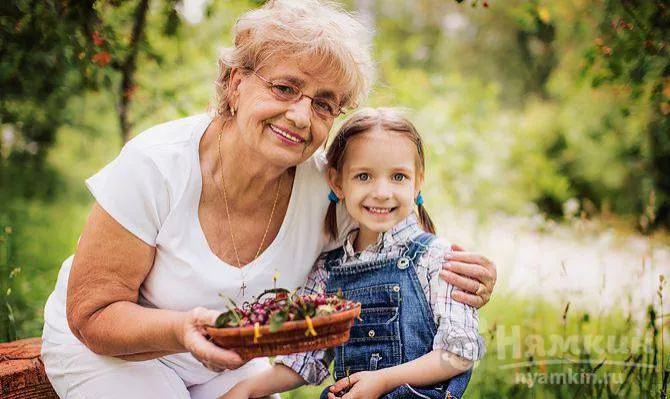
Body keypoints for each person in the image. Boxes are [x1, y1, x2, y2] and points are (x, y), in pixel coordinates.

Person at [40, 1, 497, 398]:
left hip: (228, 361)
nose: (300, 116)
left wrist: (468, 276)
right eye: (284, 88)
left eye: (323, 103)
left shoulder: (328, 190)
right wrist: (183, 330)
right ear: (235, 82)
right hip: (115, 353)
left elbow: (398, 237)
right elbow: (92, 314)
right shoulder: (155, 165)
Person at [220, 108, 485, 399]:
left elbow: (459, 353)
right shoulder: (327, 271)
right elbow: (305, 361)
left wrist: (383, 381)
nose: (382, 192)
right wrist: (245, 389)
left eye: (398, 176)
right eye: (363, 176)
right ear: (337, 182)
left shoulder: (438, 259)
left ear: (418, 181)